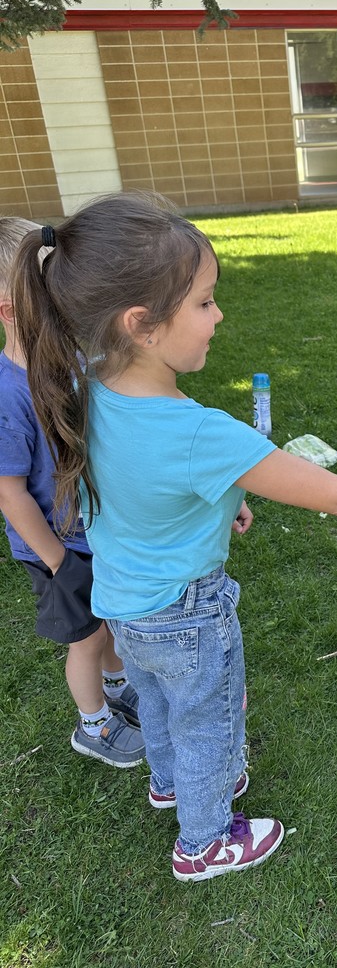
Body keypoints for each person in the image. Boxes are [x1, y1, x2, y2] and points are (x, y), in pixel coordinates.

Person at [10, 193, 337, 884]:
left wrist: (217, 507)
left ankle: (166, 782)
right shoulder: (201, 434)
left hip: (124, 606)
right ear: (142, 324)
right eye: (203, 302)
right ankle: (204, 840)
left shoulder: (89, 390)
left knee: (158, 706)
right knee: (209, 722)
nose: (219, 315)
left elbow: (136, 489)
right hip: (188, 615)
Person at [0, 217, 144, 769]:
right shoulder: (9, 393)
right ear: (14, 311)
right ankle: (94, 725)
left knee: (106, 620)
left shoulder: (70, 364)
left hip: (91, 530)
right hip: (55, 547)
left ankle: (116, 683)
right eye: (56, 301)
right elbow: (10, 495)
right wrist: (60, 563)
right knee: (84, 636)